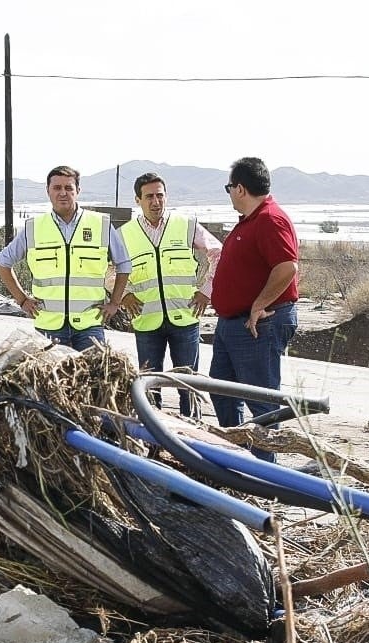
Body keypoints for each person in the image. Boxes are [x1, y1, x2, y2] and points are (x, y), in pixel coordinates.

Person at [208, 157, 299, 462]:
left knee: (261, 401)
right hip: (231, 324)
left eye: (229, 187)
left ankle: (264, 473)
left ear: (241, 188)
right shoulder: (250, 220)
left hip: (257, 325)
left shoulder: (271, 219)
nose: (230, 193)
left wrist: (259, 304)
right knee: (222, 390)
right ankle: (235, 457)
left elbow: (287, 266)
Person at [0, 165, 131, 352]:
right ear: (48, 191)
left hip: (90, 325)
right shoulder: (34, 228)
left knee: (91, 380)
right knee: (51, 380)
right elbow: (3, 263)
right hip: (49, 327)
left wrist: (115, 303)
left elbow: (124, 264)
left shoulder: (101, 224)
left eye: (68, 188)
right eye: (57, 188)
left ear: (78, 191)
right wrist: (23, 300)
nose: (63, 193)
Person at [119, 172, 223, 417]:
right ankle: (153, 442)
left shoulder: (185, 225)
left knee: (188, 385)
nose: (156, 202)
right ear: (138, 200)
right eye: (149, 197)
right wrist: (124, 293)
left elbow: (219, 253)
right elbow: (105, 266)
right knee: (149, 385)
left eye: (160, 195)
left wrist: (206, 291)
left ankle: (191, 437)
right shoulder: (124, 234)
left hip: (184, 318)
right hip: (146, 321)